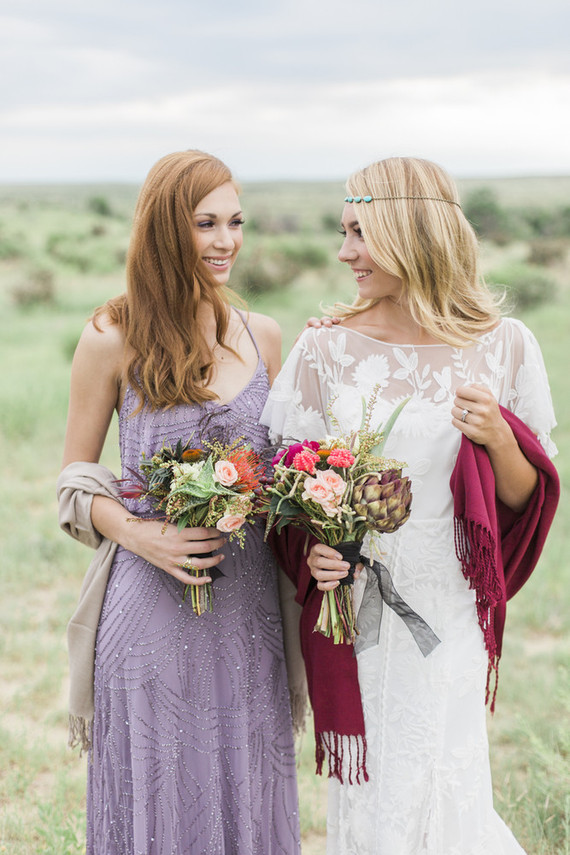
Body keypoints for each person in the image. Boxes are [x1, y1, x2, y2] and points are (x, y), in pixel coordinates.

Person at [261, 156, 559, 854]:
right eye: (343, 231)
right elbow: (287, 490)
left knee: (444, 776)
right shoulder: (324, 347)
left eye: (359, 233)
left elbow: (526, 499)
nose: (344, 252)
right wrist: (317, 550)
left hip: (449, 602)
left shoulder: (506, 345)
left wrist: (499, 438)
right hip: (356, 604)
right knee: (373, 793)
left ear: (409, 232)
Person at [57, 149, 301, 855]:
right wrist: (141, 534)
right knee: (159, 793)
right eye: (206, 223)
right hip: (150, 605)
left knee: (245, 784)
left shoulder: (263, 335)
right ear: (166, 228)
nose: (227, 241)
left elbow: (281, 473)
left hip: (250, 608)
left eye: (235, 222)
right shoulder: (111, 336)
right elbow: (74, 481)